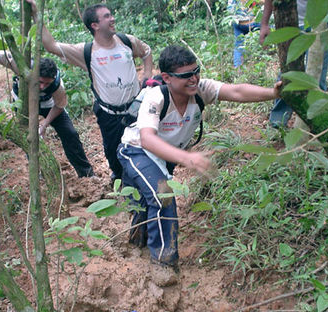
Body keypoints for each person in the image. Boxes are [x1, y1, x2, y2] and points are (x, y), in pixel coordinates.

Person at [117, 45, 281, 283]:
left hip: (166, 155)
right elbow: (147, 139)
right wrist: (187, 158)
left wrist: (273, 94)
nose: (194, 79)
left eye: (196, 71)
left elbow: (236, 91)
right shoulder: (157, 96)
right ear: (167, 78)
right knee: (162, 194)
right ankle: (164, 262)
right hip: (136, 150)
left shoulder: (200, 90)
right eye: (186, 76)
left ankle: (139, 240)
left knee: (147, 199)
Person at [26, 0, 153, 183]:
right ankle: (119, 180)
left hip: (136, 109)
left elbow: (146, 52)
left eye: (111, 15)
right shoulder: (85, 52)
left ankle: (139, 183)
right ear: (94, 25)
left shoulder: (127, 41)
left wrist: (147, 76)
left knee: (141, 147)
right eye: (107, 16)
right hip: (109, 114)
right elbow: (51, 46)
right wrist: (36, 14)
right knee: (113, 151)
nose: (112, 19)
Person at [0, 46, 94, 178]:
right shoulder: (20, 65)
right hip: (24, 105)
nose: (42, 87)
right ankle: (40, 173)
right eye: (40, 82)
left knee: (70, 134)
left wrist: (44, 124)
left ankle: (86, 173)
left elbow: (59, 106)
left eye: (47, 84)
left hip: (49, 105)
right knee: (30, 137)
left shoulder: (58, 86)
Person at [260, 0, 328, 128]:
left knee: (317, 76)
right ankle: (277, 122)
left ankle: (316, 124)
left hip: (327, 20)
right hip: (294, 21)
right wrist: (264, 24)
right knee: (288, 73)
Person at [227, 0, 261, 67]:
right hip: (251, 21)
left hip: (238, 22)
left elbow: (230, 10)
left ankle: (238, 68)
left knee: (238, 45)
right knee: (271, 26)